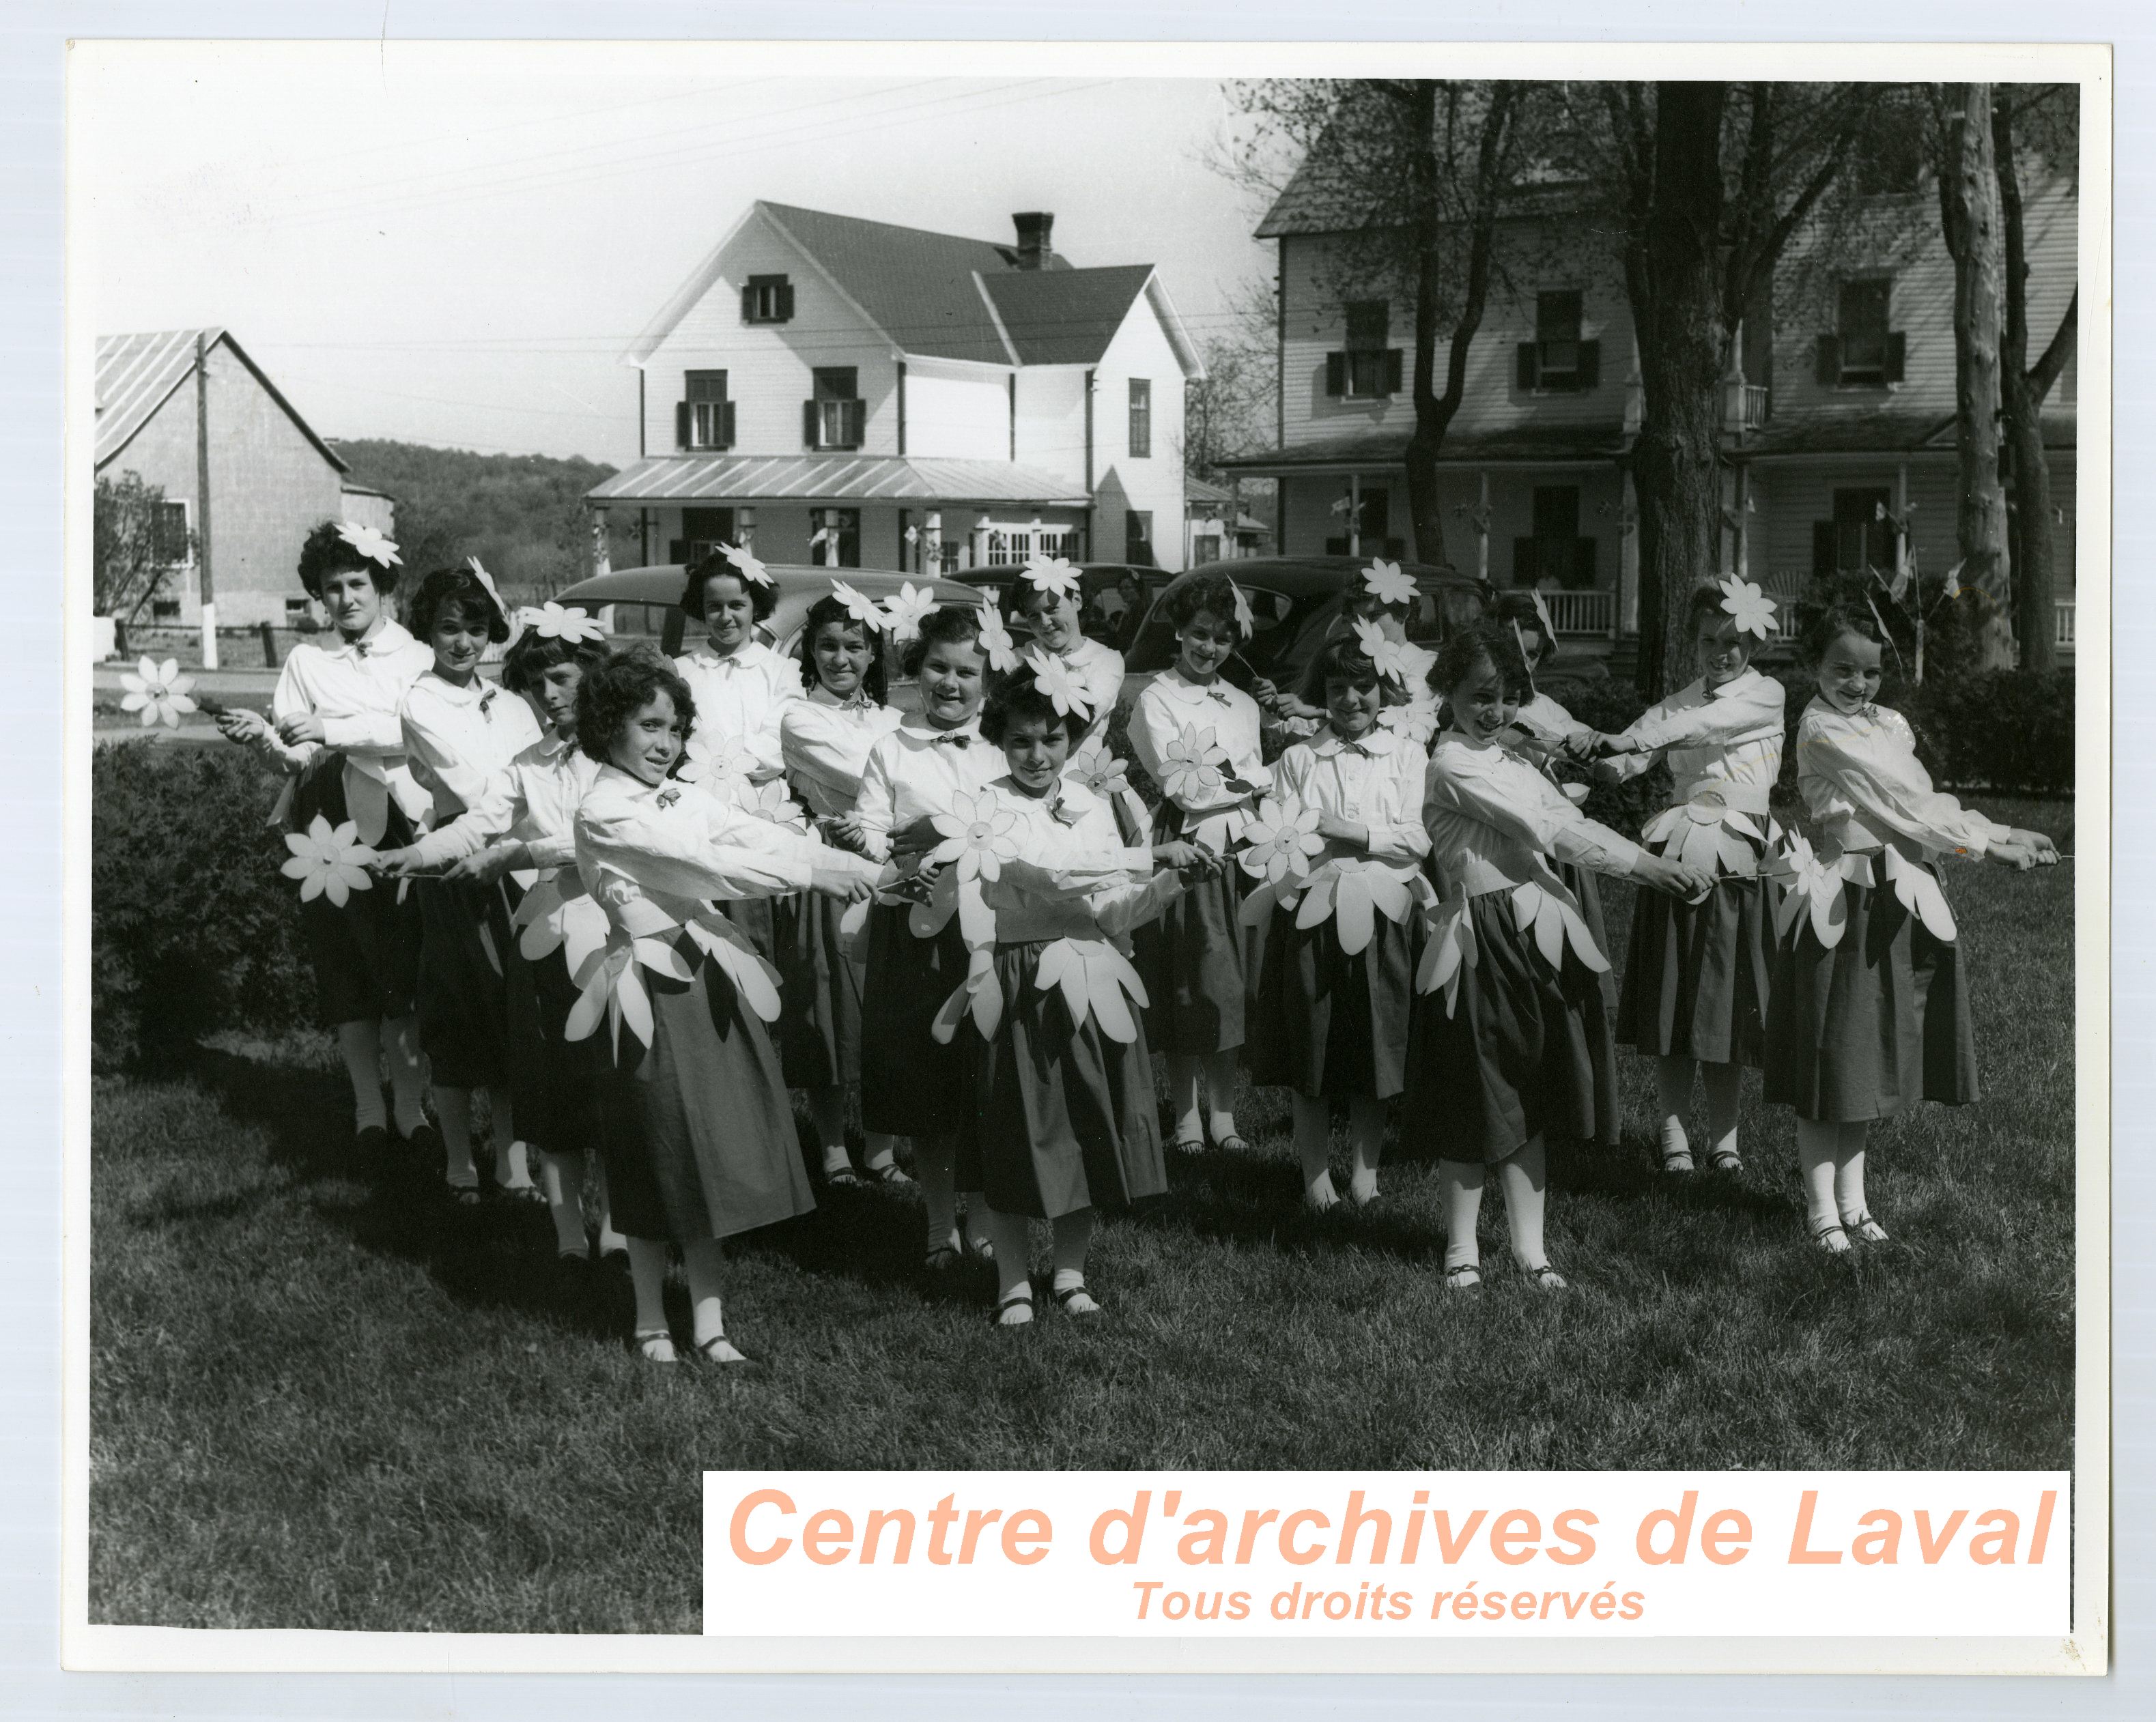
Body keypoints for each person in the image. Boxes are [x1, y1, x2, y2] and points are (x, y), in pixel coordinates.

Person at [569, 650, 874, 1364]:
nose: (664, 744)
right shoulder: (604, 809)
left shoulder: (674, 794)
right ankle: (649, 1317)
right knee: (655, 1149)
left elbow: (745, 833)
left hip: (703, 979)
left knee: (706, 1152)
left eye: (675, 729)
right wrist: (812, 876)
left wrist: (859, 868)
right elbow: (702, 865)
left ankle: (709, 1322)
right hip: (646, 989)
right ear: (608, 726)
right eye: (648, 726)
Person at [1404, 623, 1712, 1289]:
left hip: (1531, 936)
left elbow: (1555, 803)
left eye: (1507, 696)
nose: (1494, 711)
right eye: (1479, 697)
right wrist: (1649, 869)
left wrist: (1544, 738)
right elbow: (1549, 828)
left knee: (1528, 1093)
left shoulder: (1509, 758)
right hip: (1478, 942)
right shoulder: (1450, 763)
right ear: (1447, 693)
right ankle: (1461, 1250)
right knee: (1476, 1094)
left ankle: (1529, 1251)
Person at [1762, 604, 2057, 1251]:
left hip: (1891, 898)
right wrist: (1986, 843)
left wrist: (2001, 829)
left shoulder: (1884, 726)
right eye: (1842, 669)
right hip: (1841, 903)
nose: (1858, 684)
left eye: (1870, 672)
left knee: (1863, 1057)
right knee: (1830, 1056)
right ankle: (1820, 1211)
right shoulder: (1820, 730)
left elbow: (1920, 799)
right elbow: (1897, 802)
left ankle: (1855, 1203)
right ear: (1815, 666)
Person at [947, 672, 1198, 1325]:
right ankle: (1010, 1281)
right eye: (1021, 741)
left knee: (1086, 1119)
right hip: (1020, 975)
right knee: (1016, 1123)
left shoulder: (1090, 803)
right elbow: (1049, 877)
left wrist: (1169, 881)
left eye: (1052, 740)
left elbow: (1109, 908)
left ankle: (1068, 1271)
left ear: (1072, 738)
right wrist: (1148, 855)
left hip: (1089, 972)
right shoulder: (982, 807)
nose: (1038, 756)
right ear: (998, 741)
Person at [415, 603, 628, 1277]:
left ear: (593, 682)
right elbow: (478, 821)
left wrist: (524, 849)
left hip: (618, 936)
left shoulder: (624, 758)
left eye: (563, 679)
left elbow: (609, 837)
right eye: (538, 684)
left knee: (617, 1086)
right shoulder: (524, 765)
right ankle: (567, 1230)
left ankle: (620, 1225)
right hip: (546, 935)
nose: (550, 695)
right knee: (553, 1087)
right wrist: (416, 853)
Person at [216, 520, 433, 1164]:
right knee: (345, 964)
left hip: (402, 819)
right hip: (326, 822)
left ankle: (412, 1103)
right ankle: (369, 1103)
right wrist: (263, 737)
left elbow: (421, 733)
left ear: (383, 585)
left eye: (358, 583)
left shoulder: (418, 657)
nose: (346, 599)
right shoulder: (308, 662)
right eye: (331, 588)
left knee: (403, 963)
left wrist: (334, 727)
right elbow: (296, 757)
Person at [1589, 579, 1789, 1175]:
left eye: (1732, 642)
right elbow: (1633, 753)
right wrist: (1598, 759)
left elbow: (1703, 728)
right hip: (1680, 850)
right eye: (1709, 641)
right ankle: (1673, 1133)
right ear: (1693, 642)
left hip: (1740, 855)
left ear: (1753, 643)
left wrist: (1632, 738)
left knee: (1728, 1002)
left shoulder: (1766, 695)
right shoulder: (1677, 701)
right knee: (1674, 995)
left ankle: (1725, 1139)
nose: (1720, 653)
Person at [832, 603, 1003, 1272]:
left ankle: (984, 1220)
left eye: (966, 671)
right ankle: (938, 1224)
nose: (950, 683)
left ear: (988, 680)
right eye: (938, 666)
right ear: (916, 667)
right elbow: (874, 829)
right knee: (930, 1080)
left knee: (983, 1080)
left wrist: (940, 825)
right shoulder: (891, 749)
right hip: (918, 928)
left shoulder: (1002, 748)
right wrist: (864, 841)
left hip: (989, 930)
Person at [1244, 635, 1434, 1214]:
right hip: (1313, 910)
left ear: (1386, 692)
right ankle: (1314, 1175)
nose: (1350, 699)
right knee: (1314, 1039)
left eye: (1363, 687)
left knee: (1375, 1040)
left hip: (1384, 912)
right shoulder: (1300, 759)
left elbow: (1418, 839)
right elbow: (1281, 835)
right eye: (1336, 689)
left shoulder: (1406, 755)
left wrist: (1349, 831)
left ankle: (1365, 1172)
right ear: (1320, 695)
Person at [373, 562, 542, 1204]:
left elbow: (536, 774)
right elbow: (474, 787)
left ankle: (514, 1163)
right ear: (430, 631)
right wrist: (523, 813)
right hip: (458, 860)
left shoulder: (511, 702)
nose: (464, 642)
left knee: (509, 1006)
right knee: (458, 1009)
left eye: (476, 628)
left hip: (516, 860)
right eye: (449, 628)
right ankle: (459, 1161)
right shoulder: (420, 700)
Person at [1124, 572, 1271, 1155]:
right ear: (1179, 632)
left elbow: (1233, 782)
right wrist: (1257, 779)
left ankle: (1225, 1114)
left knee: (1231, 985)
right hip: (1190, 845)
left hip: (1243, 847)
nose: (1209, 648)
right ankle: (1185, 1114)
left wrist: (1243, 781)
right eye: (1199, 635)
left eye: (1222, 639)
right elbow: (1187, 788)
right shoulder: (1155, 698)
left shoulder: (1240, 702)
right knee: (1189, 979)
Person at [778, 588, 907, 1187]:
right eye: (827, 646)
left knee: (887, 1007)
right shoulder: (801, 716)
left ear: (873, 653)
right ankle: (832, 1148)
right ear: (811, 650)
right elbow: (873, 778)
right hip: (830, 871)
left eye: (854, 646)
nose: (840, 659)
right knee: (829, 1007)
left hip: (888, 867)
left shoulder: (894, 719)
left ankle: (880, 1147)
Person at [670, 543, 802, 959]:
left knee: (763, 928)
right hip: (700, 815)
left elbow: (780, 741)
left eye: (737, 605)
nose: (725, 617)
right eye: (714, 607)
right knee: (711, 927)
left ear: (755, 606)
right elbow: (677, 743)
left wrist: (720, 765)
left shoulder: (781, 671)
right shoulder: (682, 671)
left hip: (764, 811)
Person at [1006, 556, 1124, 760]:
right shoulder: (1020, 658)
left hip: (1080, 772)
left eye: (1052, 610)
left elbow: (1079, 724)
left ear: (1077, 600)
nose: (1045, 622)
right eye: (1033, 616)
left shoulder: (1106, 661)